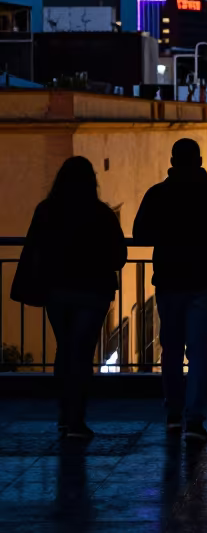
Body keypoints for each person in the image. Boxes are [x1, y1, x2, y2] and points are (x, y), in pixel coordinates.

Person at [133, 137, 207, 443]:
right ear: (199, 162)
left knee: (170, 350)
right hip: (205, 281)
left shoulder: (158, 194)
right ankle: (194, 418)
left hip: (168, 280)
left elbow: (140, 234)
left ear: (172, 160)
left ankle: (172, 413)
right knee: (199, 353)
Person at [12, 156, 127, 439]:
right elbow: (119, 257)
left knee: (64, 350)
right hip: (93, 292)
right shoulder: (102, 214)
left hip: (57, 291)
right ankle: (76, 419)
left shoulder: (46, 211)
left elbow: (34, 250)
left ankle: (65, 417)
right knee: (82, 353)